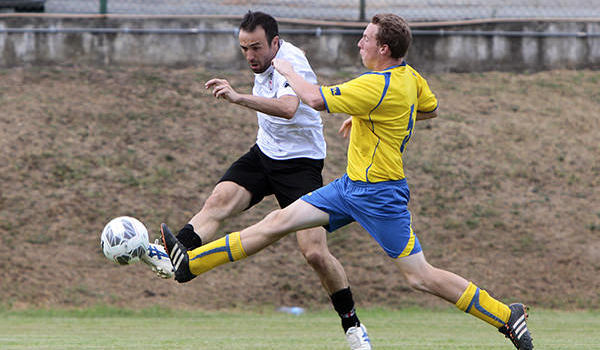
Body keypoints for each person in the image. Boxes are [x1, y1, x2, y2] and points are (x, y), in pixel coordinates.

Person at [161, 13, 533, 350]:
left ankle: (505, 315)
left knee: (420, 277)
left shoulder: (374, 86)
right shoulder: (409, 77)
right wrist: (372, 117)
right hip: (349, 187)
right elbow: (430, 108)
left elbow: (313, 100)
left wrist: (287, 71)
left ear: (383, 49)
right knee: (276, 222)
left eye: (367, 38)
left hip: (380, 195)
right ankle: (189, 265)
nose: (360, 43)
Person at [153, 11, 371, 350]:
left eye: (256, 47)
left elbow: (287, 107)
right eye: (244, 49)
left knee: (314, 253)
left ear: (275, 42)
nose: (250, 56)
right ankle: (170, 255)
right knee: (218, 201)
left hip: (301, 166)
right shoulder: (261, 59)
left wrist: (238, 98)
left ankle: (352, 324)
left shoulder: (291, 60)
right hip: (265, 154)